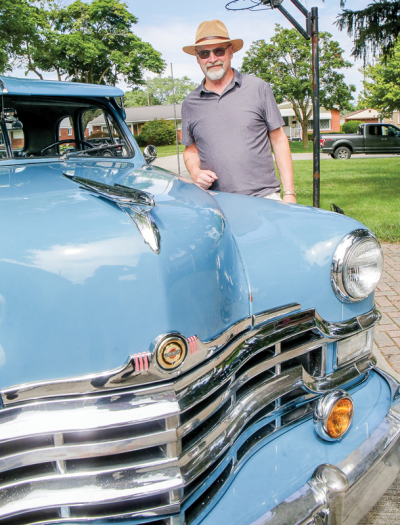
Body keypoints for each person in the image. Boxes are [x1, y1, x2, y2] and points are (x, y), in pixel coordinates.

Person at [181, 19, 296, 203]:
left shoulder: (258, 88)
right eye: (204, 53)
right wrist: (195, 172)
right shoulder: (189, 103)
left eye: (219, 51)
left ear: (230, 51)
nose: (212, 59)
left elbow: (279, 140)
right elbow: (190, 150)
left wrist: (289, 193)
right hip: (216, 202)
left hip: (264, 198)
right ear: (197, 58)